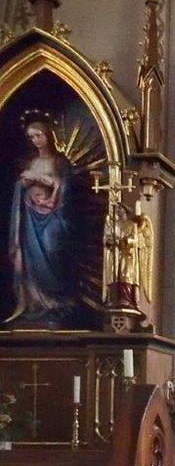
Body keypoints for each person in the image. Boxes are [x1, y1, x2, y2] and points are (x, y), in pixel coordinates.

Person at [6, 116, 76, 325]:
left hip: (53, 216)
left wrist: (39, 179)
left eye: (38, 135)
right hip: (30, 216)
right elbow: (20, 185)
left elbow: (66, 187)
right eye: (31, 137)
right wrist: (22, 185)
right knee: (30, 260)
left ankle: (56, 303)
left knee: (51, 250)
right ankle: (34, 303)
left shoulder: (60, 162)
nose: (36, 140)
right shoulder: (32, 162)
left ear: (48, 135)